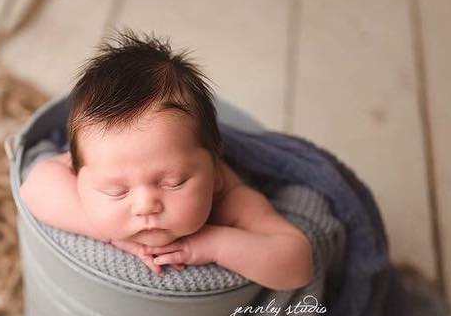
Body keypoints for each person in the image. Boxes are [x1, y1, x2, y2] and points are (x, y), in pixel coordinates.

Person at [19, 28, 313, 291]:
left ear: (214, 166)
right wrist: (109, 234)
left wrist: (214, 244)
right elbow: (34, 188)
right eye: (117, 190)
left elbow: (298, 264)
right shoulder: (99, 158)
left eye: (174, 182)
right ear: (75, 169)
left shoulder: (230, 199)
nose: (146, 205)